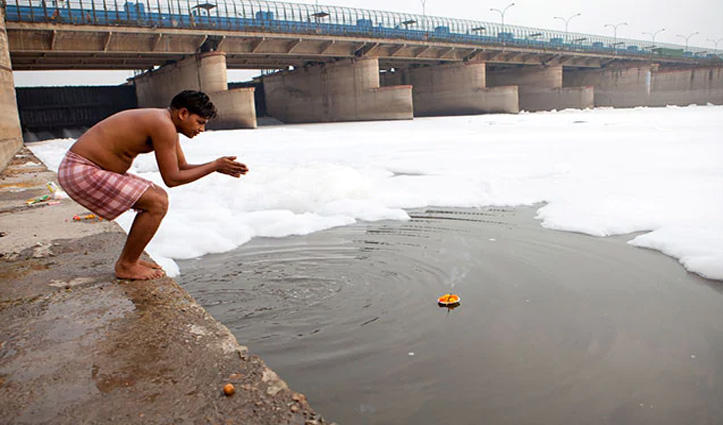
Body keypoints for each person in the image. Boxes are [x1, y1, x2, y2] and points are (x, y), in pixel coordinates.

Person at [58, 90, 248, 280]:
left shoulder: (167, 124)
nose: (201, 129)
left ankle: (130, 259)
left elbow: (181, 167)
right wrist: (214, 165)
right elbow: (172, 179)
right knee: (156, 202)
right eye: (200, 122)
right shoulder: (163, 124)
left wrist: (215, 166)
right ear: (183, 113)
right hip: (80, 170)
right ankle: (126, 265)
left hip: (87, 169)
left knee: (158, 196)